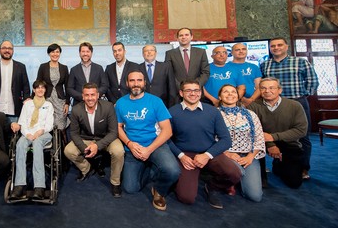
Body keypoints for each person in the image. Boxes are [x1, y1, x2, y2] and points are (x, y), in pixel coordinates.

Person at [168, 80, 241, 209]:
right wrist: (181, 156)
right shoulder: (172, 112)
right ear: (181, 93)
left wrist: (207, 155)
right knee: (186, 198)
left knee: (235, 174)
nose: (193, 93)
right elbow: (166, 139)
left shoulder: (213, 112)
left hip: (209, 152)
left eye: (196, 90)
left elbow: (226, 140)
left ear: (200, 93)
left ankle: (211, 186)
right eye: (188, 90)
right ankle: (179, 182)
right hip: (186, 156)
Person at [115, 71, 180, 210]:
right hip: (133, 148)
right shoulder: (120, 103)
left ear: (145, 82)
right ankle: (150, 168)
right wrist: (130, 144)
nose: (135, 84)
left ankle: (159, 191)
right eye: (132, 80)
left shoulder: (155, 101)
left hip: (155, 145)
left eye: (139, 80)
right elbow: (118, 128)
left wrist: (148, 150)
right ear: (127, 83)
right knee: (130, 188)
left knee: (173, 171)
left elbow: (167, 130)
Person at [261, 37, 318, 180]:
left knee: (302, 136)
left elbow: (313, 81)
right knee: (275, 134)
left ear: (286, 47)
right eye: (273, 46)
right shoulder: (265, 65)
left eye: (279, 45)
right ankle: (280, 163)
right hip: (273, 104)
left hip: (296, 101)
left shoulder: (300, 62)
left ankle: (304, 168)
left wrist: (304, 95)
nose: (276, 48)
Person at [65, 83, 124, 198]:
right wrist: (84, 148)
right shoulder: (76, 110)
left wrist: (97, 146)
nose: (90, 98)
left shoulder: (108, 107)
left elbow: (113, 132)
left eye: (92, 95)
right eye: (87, 95)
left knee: (119, 151)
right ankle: (87, 168)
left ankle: (115, 183)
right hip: (86, 138)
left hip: (105, 138)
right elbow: (74, 133)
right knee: (68, 150)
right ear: (83, 96)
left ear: (98, 95)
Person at [248, 77, 307, 189]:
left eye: (271, 88)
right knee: (261, 185)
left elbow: (301, 130)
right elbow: (252, 130)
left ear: (279, 90)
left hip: (288, 142)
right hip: (261, 143)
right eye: (263, 88)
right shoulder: (253, 106)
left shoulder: (295, 106)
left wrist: (273, 137)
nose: (267, 91)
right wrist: (271, 145)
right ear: (259, 90)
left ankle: (279, 164)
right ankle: (262, 175)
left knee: (294, 183)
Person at [217, 84, 265, 202]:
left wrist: (250, 156)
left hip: (248, 155)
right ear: (219, 97)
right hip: (225, 154)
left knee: (255, 197)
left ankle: (237, 181)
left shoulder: (250, 114)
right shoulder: (214, 114)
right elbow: (211, 138)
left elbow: (259, 137)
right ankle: (228, 181)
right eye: (226, 92)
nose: (230, 94)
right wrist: (229, 154)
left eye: (233, 92)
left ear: (238, 96)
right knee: (238, 171)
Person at [10, 80, 54, 200]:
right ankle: (19, 185)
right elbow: (22, 122)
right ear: (34, 90)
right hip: (28, 133)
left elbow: (49, 124)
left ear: (45, 90)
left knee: (37, 144)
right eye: (37, 88)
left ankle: (39, 187)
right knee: (20, 144)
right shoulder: (27, 104)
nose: (40, 90)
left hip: (43, 134)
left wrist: (40, 132)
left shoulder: (49, 105)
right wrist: (28, 134)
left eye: (42, 88)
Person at [0, 40, 31, 122]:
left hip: (14, 110)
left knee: (13, 134)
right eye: (4, 48)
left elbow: (26, 86)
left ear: (13, 51)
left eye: (9, 48)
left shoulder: (21, 67)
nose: (7, 50)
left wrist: (26, 101)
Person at [36, 43, 70, 130]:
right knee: (46, 123)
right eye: (52, 52)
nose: (55, 54)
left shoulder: (64, 68)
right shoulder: (43, 67)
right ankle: (50, 142)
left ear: (60, 53)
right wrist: (35, 100)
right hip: (46, 99)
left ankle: (60, 143)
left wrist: (67, 103)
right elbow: (38, 83)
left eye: (57, 52)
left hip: (60, 101)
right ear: (48, 54)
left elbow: (67, 87)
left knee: (60, 125)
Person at [67, 42, 108, 106]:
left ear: (91, 53)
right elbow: (70, 88)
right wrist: (83, 96)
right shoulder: (74, 69)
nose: (85, 54)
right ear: (79, 53)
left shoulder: (99, 68)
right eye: (83, 51)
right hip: (79, 104)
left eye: (87, 51)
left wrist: (94, 95)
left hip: (96, 104)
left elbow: (104, 85)